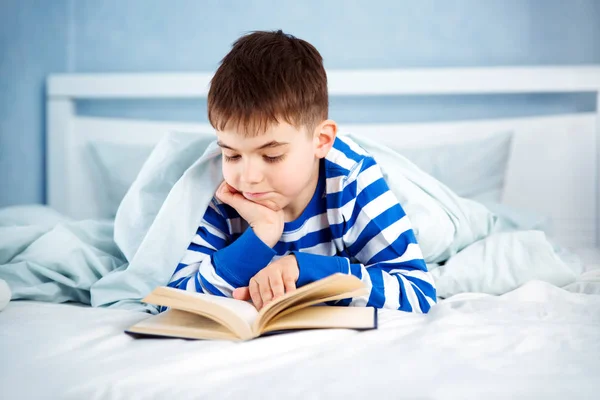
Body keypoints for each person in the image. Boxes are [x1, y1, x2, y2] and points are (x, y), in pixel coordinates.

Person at [165, 30, 436, 313]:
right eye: (232, 154)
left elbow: (418, 293)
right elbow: (173, 303)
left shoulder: (350, 181)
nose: (248, 176)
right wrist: (260, 237)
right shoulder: (224, 192)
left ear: (321, 141)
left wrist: (305, 269)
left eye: (271, 156)